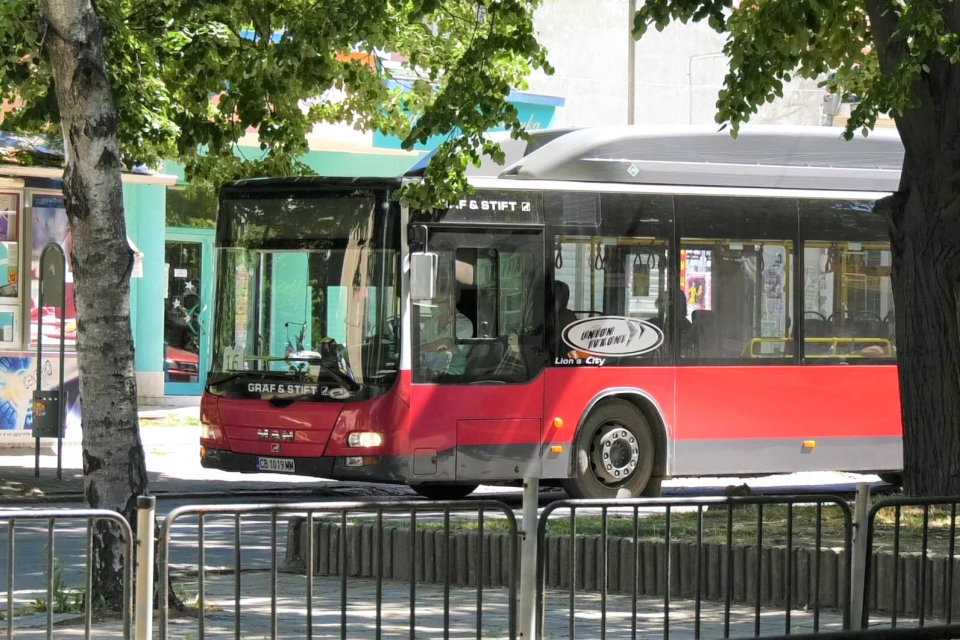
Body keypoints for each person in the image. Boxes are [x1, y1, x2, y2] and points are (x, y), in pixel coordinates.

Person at [420, 294, 473, 375]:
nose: (432, 306)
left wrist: (417, 350)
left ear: (449, 304)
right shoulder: (429, 323)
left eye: (437, 303)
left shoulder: (464, 324)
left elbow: (446, 344)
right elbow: (419, 343)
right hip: (429, 372)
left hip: (452, 375)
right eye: (432, 302)